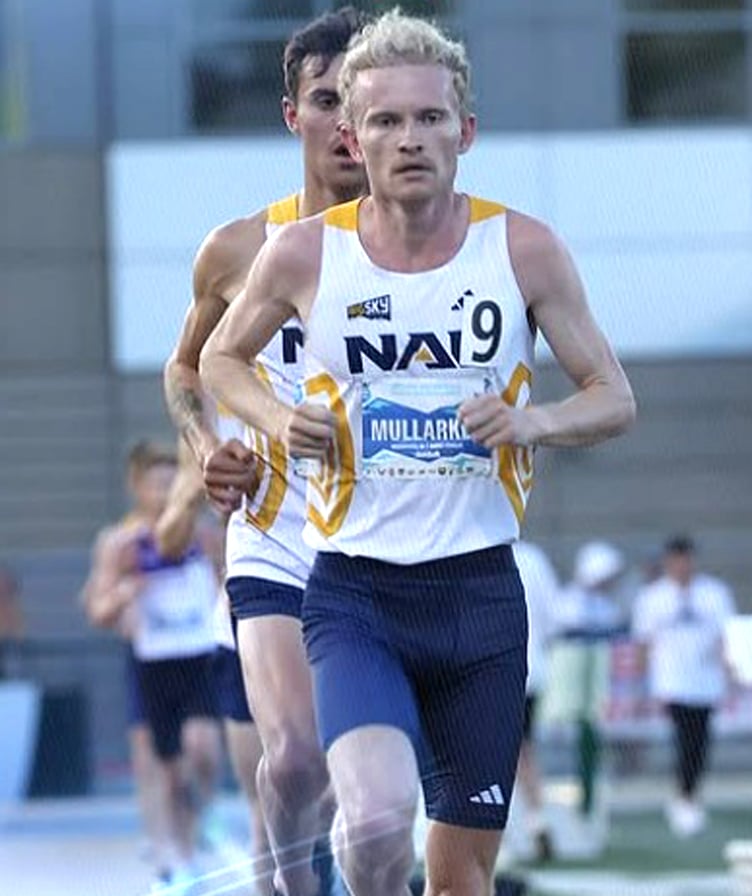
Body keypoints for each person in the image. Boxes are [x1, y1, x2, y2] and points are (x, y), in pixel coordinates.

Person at [200, 9, 635, 895]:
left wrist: (534, 423)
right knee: (374, 818)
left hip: (479, 599)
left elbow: (614, 397)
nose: (410, 138)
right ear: (354, 138)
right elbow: (218, 360)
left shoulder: (523, 249)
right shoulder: (301, 254)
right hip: (355, 592)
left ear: (465, 131)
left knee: (461, 880)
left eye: (430, 118)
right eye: (386, 121)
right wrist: (278, 424)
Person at [162, 9, 368, 895]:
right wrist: (209, 446)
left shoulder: (437, 252)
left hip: (393, 537)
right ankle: (288, 884)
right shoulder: (239, 247)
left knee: (376, 798)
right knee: (292, 761)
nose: (351, 125)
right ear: (293, 113)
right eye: (329, 100)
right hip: (278, 533)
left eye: (369, 102)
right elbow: (184, 366)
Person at [81, 440, 223, 891]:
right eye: (156, 483)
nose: (164, 491)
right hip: (151, 660)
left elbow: (228, 587)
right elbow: (98, 606)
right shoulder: (122, 542)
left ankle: (193, 822)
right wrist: (126, 594)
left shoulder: (203, 535)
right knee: (159, 764)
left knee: (202, 751)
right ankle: (171, 850)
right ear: (137, 486)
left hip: (200, 655)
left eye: (172, 481)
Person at [155, 438, 273, 893]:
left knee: (334, 796)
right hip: (241, 628)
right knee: (267, 798)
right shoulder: (212, 435)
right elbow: (169, 541)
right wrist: (195, 484)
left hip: (330, 620)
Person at [631, 535, 736, 838]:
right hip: (671, 682)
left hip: (705, 681)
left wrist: (731, 674)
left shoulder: (714, 594)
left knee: (699, 741)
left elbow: (724, 638)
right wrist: (640, 683)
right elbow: (643, 643)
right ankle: (685, 796)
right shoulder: (653, 598)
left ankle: (688, 794)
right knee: (683, 738)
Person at [555, 540, 626, 819]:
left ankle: (588, 802)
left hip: (591, 700)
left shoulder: (603, 606)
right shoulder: (568, 603)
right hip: (568, 697)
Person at [511, 540, 560, 862]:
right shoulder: (533, 558)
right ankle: (535, 818)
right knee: (523, 748)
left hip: (483, 670)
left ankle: (509, 826)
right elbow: (553, 617)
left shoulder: (469, 548)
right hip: (530, 667)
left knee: (492, 751)